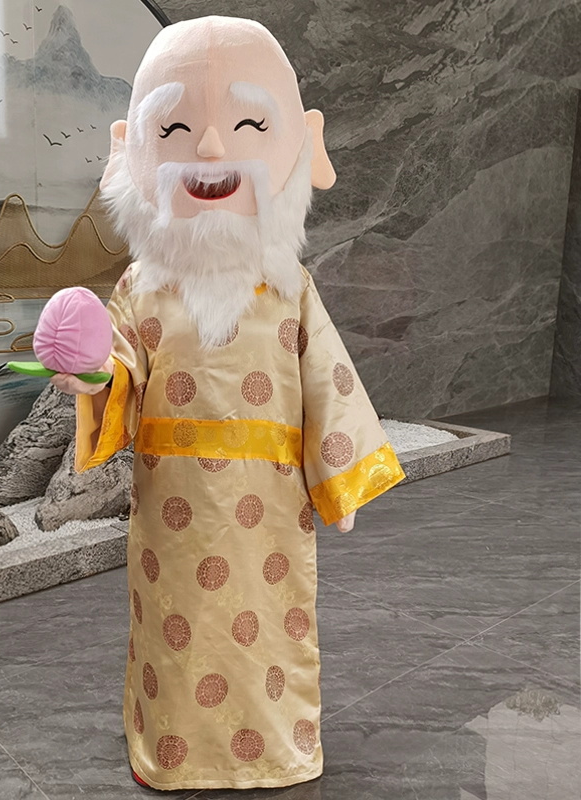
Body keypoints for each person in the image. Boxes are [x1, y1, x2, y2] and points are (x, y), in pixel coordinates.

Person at [50, 15, 405, 791]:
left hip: (269, 508)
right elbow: (122, 369)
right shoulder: (141, 288)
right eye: (176, 130)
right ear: (129, 152)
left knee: (269, 627)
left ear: (303, 145)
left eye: (247, 126)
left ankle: (274, 746)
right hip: (171, 508)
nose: (211, 149)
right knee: (177, 629)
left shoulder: (289, 289)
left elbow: (327, 381)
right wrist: (94, 377)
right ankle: (175, 749)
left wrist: (339, 479)